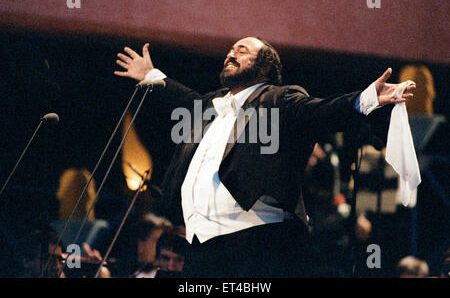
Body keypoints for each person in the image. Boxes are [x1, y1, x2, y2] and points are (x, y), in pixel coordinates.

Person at [114, 37, 415, 277]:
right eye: (230, 50)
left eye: (241, 50)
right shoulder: (211, 105)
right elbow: (183, 97)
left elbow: (321, 111)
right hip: (200, 246)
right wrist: (152, 77)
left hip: (253, 243)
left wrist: (368, 99)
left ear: (264, 68)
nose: (230, 54)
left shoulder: (279, 99)